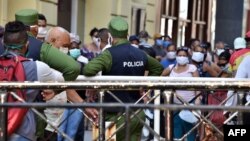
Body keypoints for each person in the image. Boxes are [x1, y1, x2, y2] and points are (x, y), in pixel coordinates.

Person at [83, 16, 163, 141]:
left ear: (110, 36)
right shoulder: (140, 53)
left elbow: (88, 70)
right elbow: (158, 68)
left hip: (114, 115)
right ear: (127, 34)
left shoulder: (109, 54)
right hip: (137, 112)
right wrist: (145, 85)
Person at [3, 21, 63, 141]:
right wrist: (54, 91)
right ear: (27, 44)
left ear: (4, 44)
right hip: (23, 132)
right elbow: (61, 80)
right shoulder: (38, 68)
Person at [13, 9, 80, 81]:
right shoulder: (41, 47)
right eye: (39, 26)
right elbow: (73, 68)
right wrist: (54, 90)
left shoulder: (3, 42)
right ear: (36, 28)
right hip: (31, 91)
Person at [161, 47, 200, 141]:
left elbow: (198, 85)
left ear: (188, 57)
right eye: (179, 55)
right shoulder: (171, 68)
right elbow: (161, 78)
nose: (182, 57)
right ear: (176, 56)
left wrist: (198, 99)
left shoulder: (192, 68)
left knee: (190, 128)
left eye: (184, 55)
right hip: (174, 104)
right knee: (176, 128)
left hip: (189, 103)